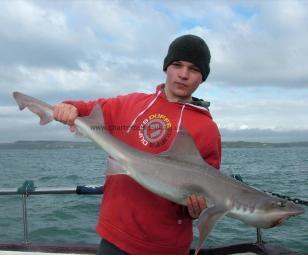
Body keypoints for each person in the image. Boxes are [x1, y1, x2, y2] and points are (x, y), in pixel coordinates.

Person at [53, 34, 221, 255]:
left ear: (203, 77)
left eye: (194, 69)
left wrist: (195, 209)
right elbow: (86, 109)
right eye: (177, 65)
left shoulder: (207, 129)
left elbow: (211, 192)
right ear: (166, 68)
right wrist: (69, 107)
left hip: (165, 246)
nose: (183, 74)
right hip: (114, 236)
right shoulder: (131, 103)